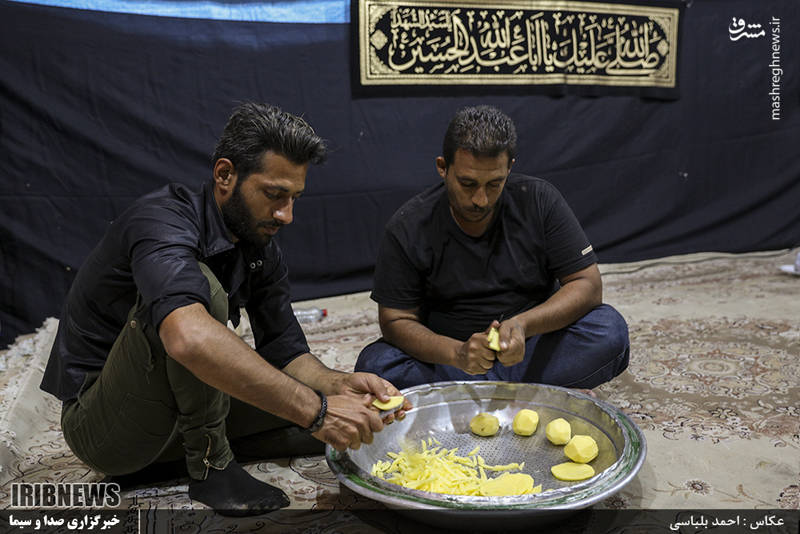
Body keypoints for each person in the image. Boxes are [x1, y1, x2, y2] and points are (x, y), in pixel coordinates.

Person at [40, 102, 409, 516]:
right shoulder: (161, 220)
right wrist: (317, 412)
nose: (286, 215)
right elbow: (188, 337)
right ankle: (211, 466)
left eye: (294, 198)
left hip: (170, 412)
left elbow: (286, 351)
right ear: (225, 175)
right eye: (274, 195)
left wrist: (335, 387)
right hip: (103, 426)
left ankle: (164, 463)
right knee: (202, 299)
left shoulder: (258, 244)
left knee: (333, 424)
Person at [355, 105, 629, 391]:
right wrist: (457, 354)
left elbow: (587, 284)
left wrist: (523, 325)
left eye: (495, 183)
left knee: (609, 332)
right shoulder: (407, 226)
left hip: (530, 346)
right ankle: (519, 390)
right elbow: (396, 319)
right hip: (451, 355)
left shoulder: (539, 200)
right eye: (467, 183)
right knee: (375, 364)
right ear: (442, 168)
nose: (481, 200)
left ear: (509, 168)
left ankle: (474, 393)